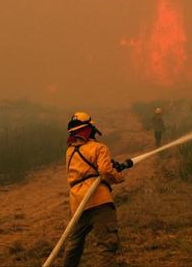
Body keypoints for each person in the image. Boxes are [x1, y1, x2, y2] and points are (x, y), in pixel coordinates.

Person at [63, 112, 124, 267]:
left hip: (77, 203)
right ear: (89, 129)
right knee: (107, 244)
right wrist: (118, 177)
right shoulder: (99, 148)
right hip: (99, 201)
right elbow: (105, 171)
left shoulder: (69, 152)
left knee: (74, 245)